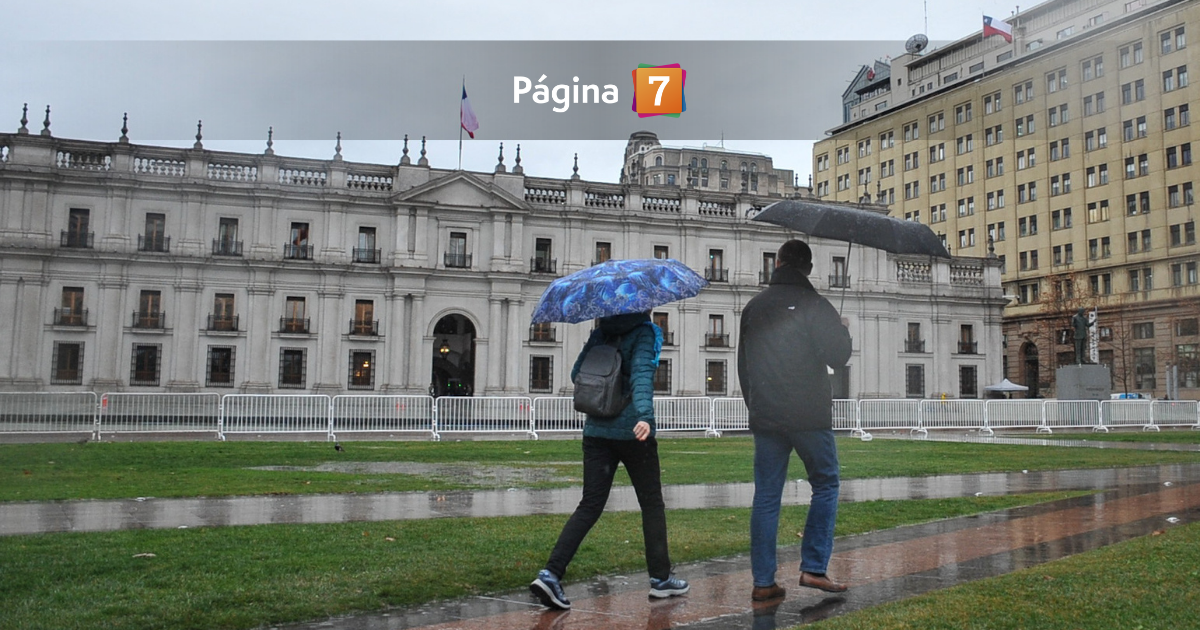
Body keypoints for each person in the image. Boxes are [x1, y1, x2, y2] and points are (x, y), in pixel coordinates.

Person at [530, 311, 689, 610]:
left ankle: (551, 573)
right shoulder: (645, 332)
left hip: (595, 430)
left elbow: (577, 374)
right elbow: (642, 376)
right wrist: (644, 416)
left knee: (589, 505)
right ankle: (660, 579)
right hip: (632, 433)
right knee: (652, 504)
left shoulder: (600, 333)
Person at [737, 239, 853, 602]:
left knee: (767, 496)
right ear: (809, 268)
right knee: (826, 484)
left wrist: (754, 407)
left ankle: (763, 581)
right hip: (809, 415)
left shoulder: (753, 307)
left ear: (778, 264)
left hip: (767, 415)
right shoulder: (816, 305)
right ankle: (814, 568)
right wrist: (842, 329)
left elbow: (744, 366)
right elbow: (839, 356)